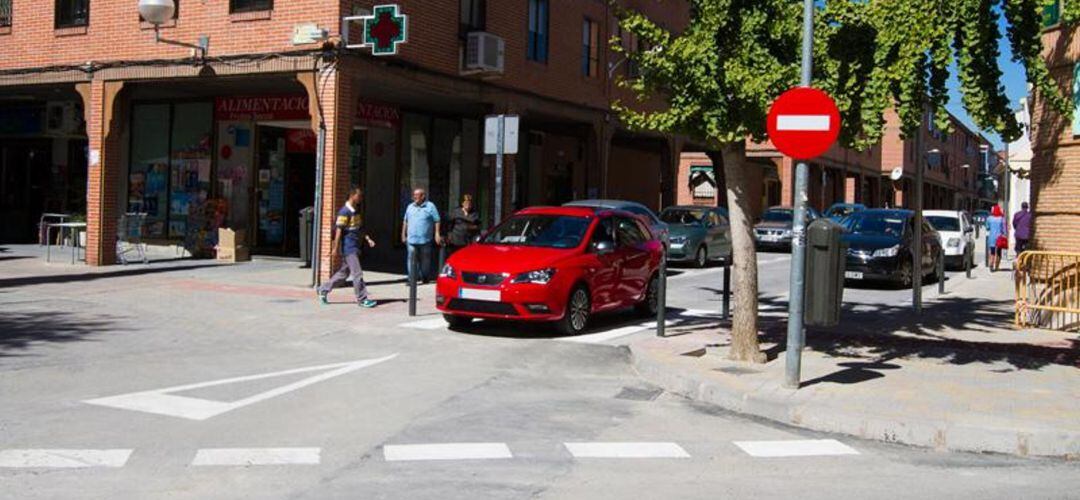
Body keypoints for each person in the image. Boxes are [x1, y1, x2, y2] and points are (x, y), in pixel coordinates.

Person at [318, 187, 377, 308]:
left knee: (343, 274)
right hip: (348, 247)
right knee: (357, 273)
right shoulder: (344, 212)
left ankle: (323, 289)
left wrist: (368, 239)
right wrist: (335, 248)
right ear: (352, 196)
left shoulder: (356, 211)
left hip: (355, 246)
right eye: (359, 196)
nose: (361, 198)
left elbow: (359, 227)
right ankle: (362, 299)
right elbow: (339, 231)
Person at [402, 187, 442, 283]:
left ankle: (425, 276)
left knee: (425, 260)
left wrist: (437, 233)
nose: (414, 197)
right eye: (414, 195)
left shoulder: (430, 206)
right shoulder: (410, 206)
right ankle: (412, 279)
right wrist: (403, 234)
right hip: (411, 239)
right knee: (411, 258)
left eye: (416, 195)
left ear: (423, 196)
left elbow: (437, 220)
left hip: (425, 239)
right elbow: (405, 221)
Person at [985, 204, 1008, 272]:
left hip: (991, 237)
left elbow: (987, 227)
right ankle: (997, 266)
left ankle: (991, 265)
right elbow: (1004, 230)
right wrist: (1005, 235)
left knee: (992, 252)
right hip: (999, 238)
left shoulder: (989, 218)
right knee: (998, 252)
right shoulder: (1002, 219)